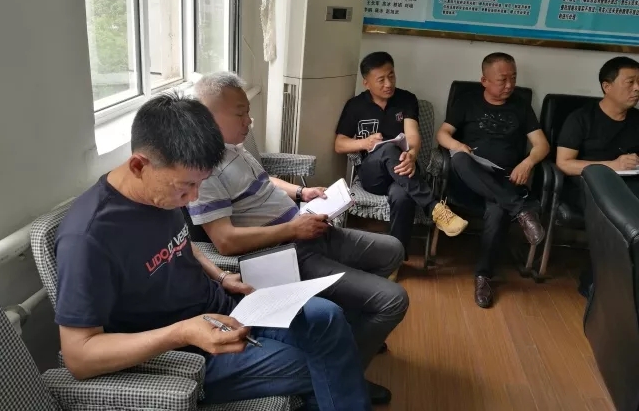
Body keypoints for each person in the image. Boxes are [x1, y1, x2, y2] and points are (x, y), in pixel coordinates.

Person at [54, 93, 371, 411]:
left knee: (327, 317)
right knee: (320, 362)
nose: (193, 198)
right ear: (139, 165)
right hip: (188, 354)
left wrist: (220, 276)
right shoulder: (88, 238)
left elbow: (181, 243)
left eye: (199, 184)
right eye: (185, 187)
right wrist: (181, 333)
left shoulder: (160, 191)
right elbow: (79, 356)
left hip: (225, 306)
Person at [186, 71, 409, 405]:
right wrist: (293, 229)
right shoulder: (203, 171)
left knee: (392, 249)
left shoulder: (233, 148)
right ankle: (347, 375)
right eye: (240, 113)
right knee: (393, 299)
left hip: (303, 226)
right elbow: (225, 242)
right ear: (208, 117)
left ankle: (354, 330)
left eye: (248, 111)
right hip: (285, 251)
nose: (249, 120)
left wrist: (303, 193)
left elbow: (264, 180)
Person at [436, 52, 549, 308]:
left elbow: (542, 145)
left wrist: (528, 162)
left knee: (498, 209)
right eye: (502, 80)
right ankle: (521, 209)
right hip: (469, 180)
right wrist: (457, 145)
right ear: (484, 80)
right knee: (459, 159)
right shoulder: (467, 101)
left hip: (504, 180)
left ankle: (483, 276)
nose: (509, 85)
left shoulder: (521, 106)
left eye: (513, 78)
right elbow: (443, 134)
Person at [334, 51, 468, 254]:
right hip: (373, 176)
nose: (388, 84)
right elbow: (339, 144)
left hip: (405, 169)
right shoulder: (355, 105)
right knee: (388, 148)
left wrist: (412, 155)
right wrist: (365, 143)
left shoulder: (406, 99)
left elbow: (412, 136)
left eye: (391, 76)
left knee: (403, 195)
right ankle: (434, 207)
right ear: (366, 83)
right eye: (381, 80)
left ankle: (396, 258)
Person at [556, 56, 639, 296]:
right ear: (607, 86)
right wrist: (612, 165)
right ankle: (596, 283)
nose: (637, 88)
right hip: (590, 187)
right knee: (623, 219)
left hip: (630, 186)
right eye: (630, 82)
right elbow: (564, 163)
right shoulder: (581, 118)